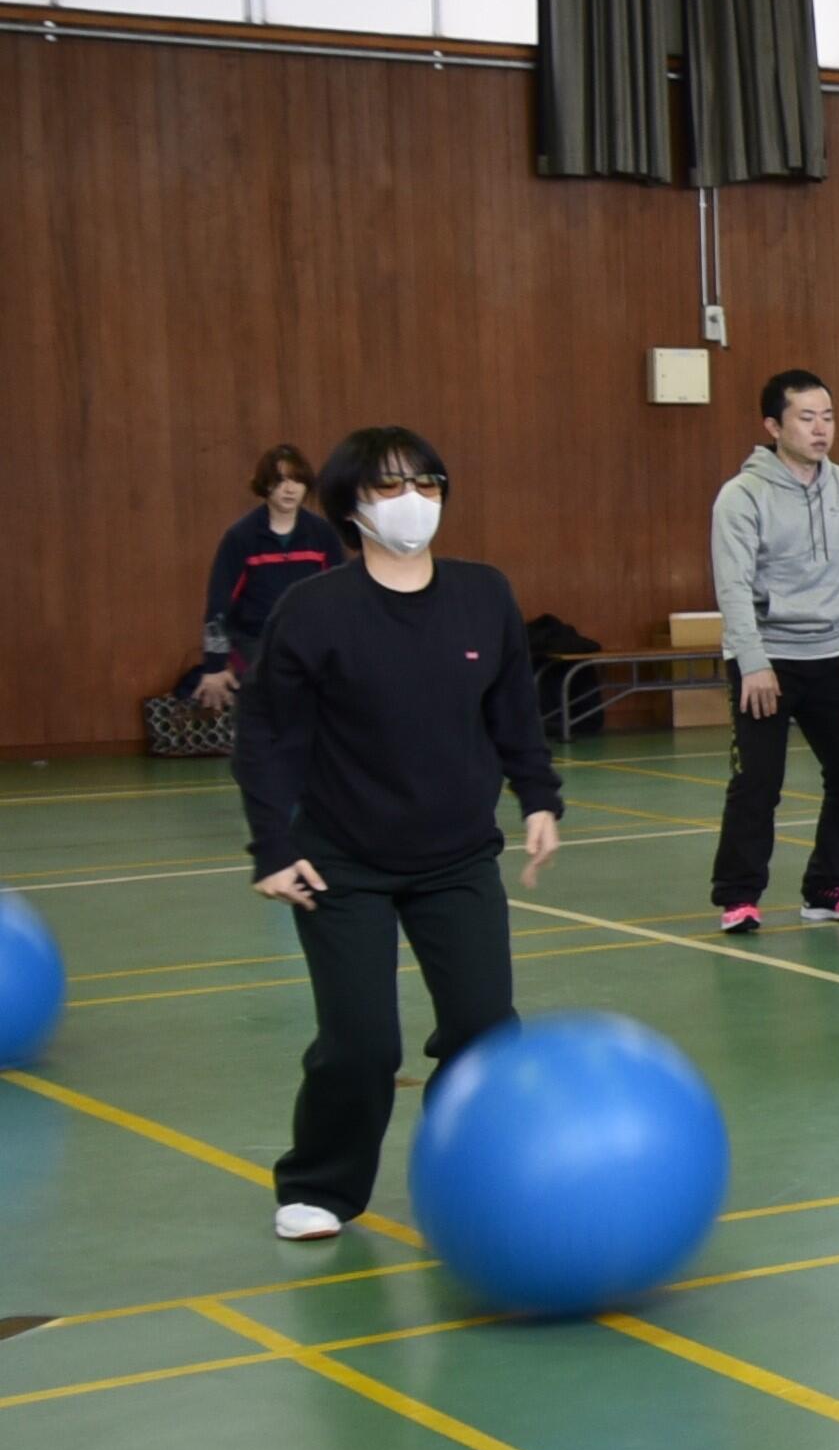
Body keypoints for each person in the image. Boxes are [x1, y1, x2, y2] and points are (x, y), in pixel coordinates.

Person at [233, 428, 562, 1243]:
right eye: (389, 487)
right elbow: (267, 736)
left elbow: (513, 709)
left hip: (457, 857)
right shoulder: (312, 611)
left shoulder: (485, 595)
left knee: (486, 1029)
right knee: (360, 1045)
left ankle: (473, 1169)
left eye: (427, 483)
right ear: (349, 506)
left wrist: (538, 799)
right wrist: (272, 848)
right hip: (339, 862)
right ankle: (319, 1184)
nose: (414, 501)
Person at [710, 368, 839, 932]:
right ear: (773, 425)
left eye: (828, 417)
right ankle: (739, 897)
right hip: (768, 659)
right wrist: (753, 663)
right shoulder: (742, 497)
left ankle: (827, 887)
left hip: (836, 655)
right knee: (757, 783)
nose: (820, 429)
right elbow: (733, 586)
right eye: (806, 418)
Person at [192, 444, 343, 708]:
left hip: (312, 645)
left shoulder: (322, 535)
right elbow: (219, 604)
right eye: (281, 480)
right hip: (255, 643)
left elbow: (342, 596)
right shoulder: (240, 538)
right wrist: (214, 666)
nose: (290, 489)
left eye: (297, 480)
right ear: (265, 485)